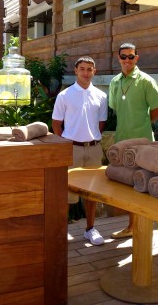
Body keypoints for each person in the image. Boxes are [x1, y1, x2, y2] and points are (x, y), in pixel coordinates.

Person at [109, 42, 158, 239]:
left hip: (142, 144)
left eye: (131, 56)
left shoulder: (147, 81)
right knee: (128, 187)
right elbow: (115, 108)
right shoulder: (115, 82)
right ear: (118, 58)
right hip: (122, 141)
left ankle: (142, 226)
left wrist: (142, 123)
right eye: (123, 56)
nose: (127, 60)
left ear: (136, 58)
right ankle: (132, 226)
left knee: (142, 185)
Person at [52, 56, 108, 246]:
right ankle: (62, 231)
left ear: (94, 71)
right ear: (76, 71)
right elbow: (56, 123)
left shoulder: (101, 96)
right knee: (67, 193)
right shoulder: (64, 95)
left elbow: (101, 123)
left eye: (89, 69)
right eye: (82, 69)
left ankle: (90, 229)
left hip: (93, 149)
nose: (86, 73)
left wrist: (90, 139)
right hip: (72, 149)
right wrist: (65, 144)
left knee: (92, 193)